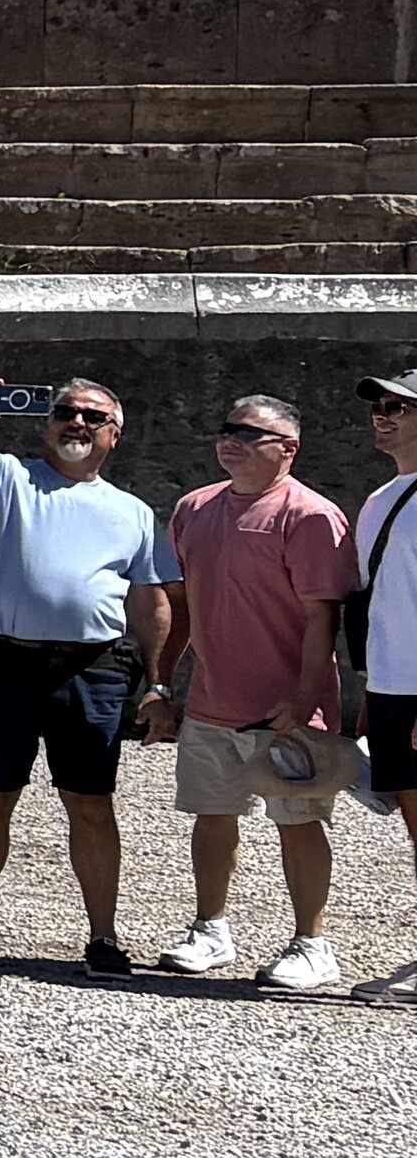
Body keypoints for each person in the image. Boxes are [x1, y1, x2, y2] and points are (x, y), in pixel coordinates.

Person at [0, 374, 175, 970]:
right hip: (0, 661)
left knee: (91, 802)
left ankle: (104, 939)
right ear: (47, 423)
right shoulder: (5, 476)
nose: (76, 423)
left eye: (92, 417)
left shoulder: (132, 512)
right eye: (66, 412)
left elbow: (148, 599)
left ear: (116, 436)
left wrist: (158, 684)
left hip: (94, 666)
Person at [158, 389, 355, 994]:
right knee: (211, 817)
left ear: (288, 449)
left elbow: (324, 618)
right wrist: (163, 684)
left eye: (249, 433)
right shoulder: (194, 508)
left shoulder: (311, 516)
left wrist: (303, 701)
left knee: (298, 820)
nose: (231, 440)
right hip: (211, 703)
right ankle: (210, 930)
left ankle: (312, 945)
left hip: (285, 710)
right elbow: (182, 607)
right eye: (226, 429)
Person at [349, 367, 417, 1000]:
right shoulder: (381, 499)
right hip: (395, 688)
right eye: (381, 405)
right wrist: (372, 695)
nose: (384, 414)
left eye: (401, 406)